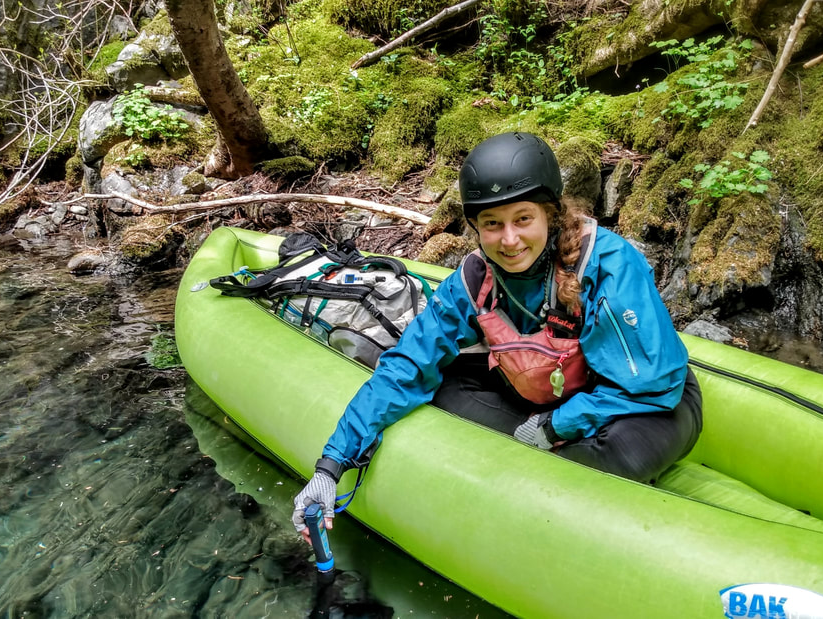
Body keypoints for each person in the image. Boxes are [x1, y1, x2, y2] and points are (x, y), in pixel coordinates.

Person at [291, 131, 702, 541]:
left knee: (610, 455)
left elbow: (653, 385)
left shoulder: (608, 264)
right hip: (543, 391)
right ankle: (538, 450)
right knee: (440, 386)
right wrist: (330, 466)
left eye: (523, 219)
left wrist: (557, 426)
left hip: (647, 404)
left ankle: (566, 473)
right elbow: (406, 366)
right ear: (475, 228)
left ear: (550, 215)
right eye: (492, 224)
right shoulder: (471, 280)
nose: (509, 240)